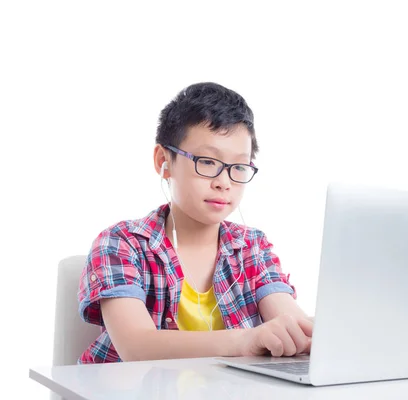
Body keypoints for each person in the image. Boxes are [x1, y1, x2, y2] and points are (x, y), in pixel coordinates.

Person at [77, 82, 312, 364]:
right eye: (208, 162)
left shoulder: (251, 246)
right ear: (164, 160)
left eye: (238, 166)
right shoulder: (121, 243)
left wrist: (317, 333)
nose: (224, 183)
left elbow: (292, 322)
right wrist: (245, 339)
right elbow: (137, 347)